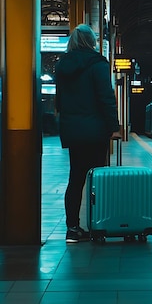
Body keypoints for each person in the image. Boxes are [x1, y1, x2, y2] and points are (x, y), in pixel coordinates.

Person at [55, 24, 122, 243]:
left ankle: (72, 229)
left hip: (73, 131)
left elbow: (59, 100)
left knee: (76, 179)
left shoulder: (62, 65)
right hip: (95, 131)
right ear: (92, 41)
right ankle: (98, 225)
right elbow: (106, 97)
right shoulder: (97, 64)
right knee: (97, 178)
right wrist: (114, 126)